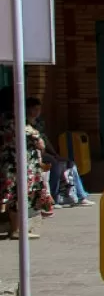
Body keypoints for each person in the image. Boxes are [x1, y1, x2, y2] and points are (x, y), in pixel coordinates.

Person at [0, 89, 54, 239]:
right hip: (19, 165)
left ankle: (17, 228)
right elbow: (39, 142)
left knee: (15, 196)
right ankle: (17, 230)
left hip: (9, 162)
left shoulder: (4, 120)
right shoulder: (16, 121)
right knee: (19, 196)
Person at [26, 98, 92, 208]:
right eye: (34, 109)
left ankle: (81, 196)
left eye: (39, 109)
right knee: (55, 164)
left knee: (70, 164)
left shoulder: (39, 123)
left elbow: (45, 140)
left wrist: (55, 154)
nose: (37, 112)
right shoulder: (24, 124)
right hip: (33, 154)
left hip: (43, 152)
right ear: (28, 109)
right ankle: (54, 198)